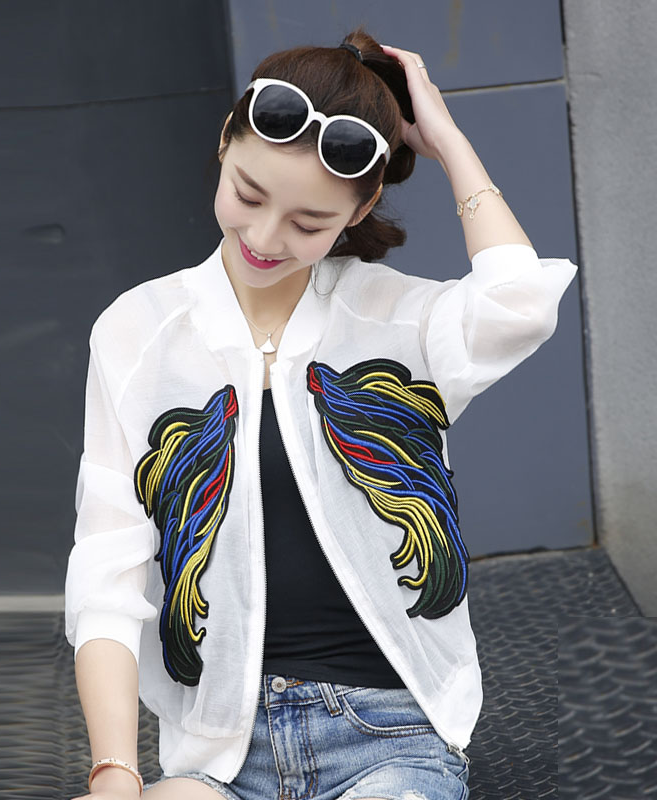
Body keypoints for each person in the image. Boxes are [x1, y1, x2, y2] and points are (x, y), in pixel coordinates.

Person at [64, 28, 577, 800]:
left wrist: (445, 139)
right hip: (219, 754)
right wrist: (115, 772)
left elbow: (520, 304)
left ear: (359, 208)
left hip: (388, 739)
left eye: (308, 223)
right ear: (225, 142)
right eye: (248, 194)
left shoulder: (393, 317)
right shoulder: (138, 332)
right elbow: (108, 573)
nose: (264, 238)